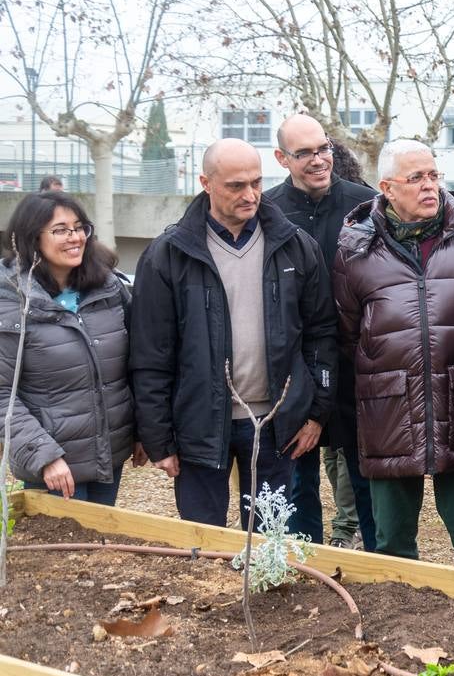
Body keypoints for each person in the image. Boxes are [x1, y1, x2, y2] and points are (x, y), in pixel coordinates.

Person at [129, 138, 336, 530]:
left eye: (256, 183)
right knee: (203, 540)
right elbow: (150, 355)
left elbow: (321, 334)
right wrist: (158, 438)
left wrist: (316, 413)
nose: (251, 194)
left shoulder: (295, 246)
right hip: (199, 424)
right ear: (206, 183)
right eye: (236, 186)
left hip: (276, 424)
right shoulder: (168, 255)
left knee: (267, 540)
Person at [332, 139, 454, 568]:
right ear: (387, 188)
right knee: (391, 543)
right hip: (388, 408)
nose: (430, 186)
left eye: (433, 175)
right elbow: (348, 334)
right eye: (416, 178)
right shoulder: (355, 249)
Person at [266, 114, 379, 548]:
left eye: (324, 148)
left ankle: (378, 567)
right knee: (297, 477)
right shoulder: (268, 211)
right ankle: (300, 560)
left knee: (366, 477)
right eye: (305, 153)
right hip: (294, 366)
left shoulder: (366, 206)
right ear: (282, 158)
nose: (319, 160)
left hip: (357, 365)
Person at [1, 192, 143, 503]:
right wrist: (44, 455)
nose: (74, 237)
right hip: (53, 465)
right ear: (31, 237)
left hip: (110, 454)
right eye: (60, 229)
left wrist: (142, 431)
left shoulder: (108, 288)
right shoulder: (11, 301)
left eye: (79, 227)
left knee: (100, 547)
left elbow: (134, 364)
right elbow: (2, 394)